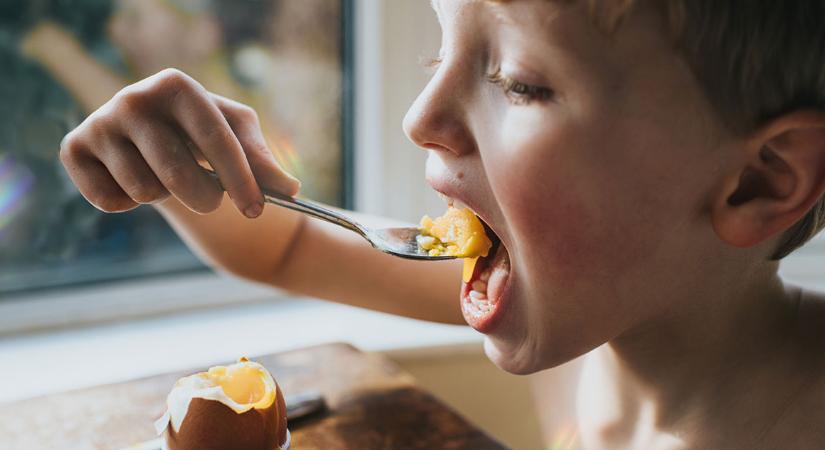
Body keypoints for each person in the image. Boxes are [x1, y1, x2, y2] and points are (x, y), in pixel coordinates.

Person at [58, 0, 825, 448]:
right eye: (435, 58)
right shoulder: (583, 318)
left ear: (759, 180)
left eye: (519, 83)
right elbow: (288, 245)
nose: (419, 120)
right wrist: (169, 159)